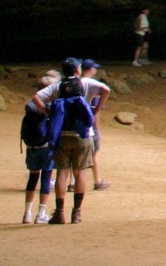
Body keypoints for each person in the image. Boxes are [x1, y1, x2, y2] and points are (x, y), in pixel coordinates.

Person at [34, 57, 108, 223]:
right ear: (77, 70)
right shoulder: (86, 83)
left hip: (62, 134)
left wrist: (48, 112)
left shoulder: (57, 86)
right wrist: (95, 109)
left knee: (62, 172)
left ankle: (59, 212)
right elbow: (106, 90)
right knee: (80, 172)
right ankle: (77, 213)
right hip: (83, 135)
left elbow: (36, 98)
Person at [20, 69, 60, 223]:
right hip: (46, 146)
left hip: (31, 146)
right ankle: (41, 214)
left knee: (32, 178)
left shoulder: (29, 105)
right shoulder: (49, 105)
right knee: (46, 178)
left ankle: (27, 213)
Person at [81, 59, 110, 190]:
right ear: (90, 69)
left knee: (74, 154)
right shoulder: (93, 88)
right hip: (88, 125)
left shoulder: (73, 83)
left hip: (73, 124)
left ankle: (71, 183)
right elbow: (96, 113)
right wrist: (97, 128)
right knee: (92, 154)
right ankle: (97, 180)